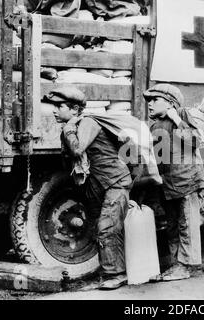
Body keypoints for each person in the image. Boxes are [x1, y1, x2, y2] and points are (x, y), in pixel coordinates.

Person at [46, 86, 132, 290]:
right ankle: (107, 271)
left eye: (59, 106)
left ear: (74, 109)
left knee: (107, 227)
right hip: (98, 184)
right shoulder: (72, 125)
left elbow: (77, 148)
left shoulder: (87, 122)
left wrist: (68, 129)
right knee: (98, 228)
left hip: (114, 181)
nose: (54, 110)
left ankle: (116, 274)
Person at [143, 83, 204, 281]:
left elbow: (195, 141)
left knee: (186, 224)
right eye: (149, 101)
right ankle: (176, 264)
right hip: (167, 183)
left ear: (170, 103)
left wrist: (176, 118)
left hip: (186, 180)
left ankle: (187, 265)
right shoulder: (154, 125)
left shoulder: (183, 115)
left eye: (155, 100)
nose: (150, 105)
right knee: (171, 225)